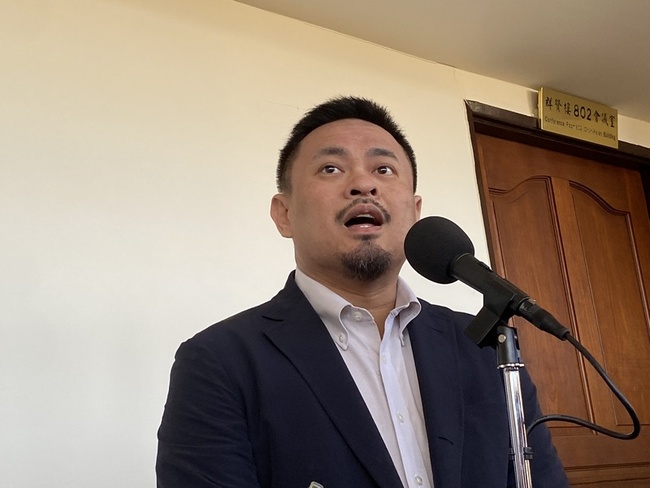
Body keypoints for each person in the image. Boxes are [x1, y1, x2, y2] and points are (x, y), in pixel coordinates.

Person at [156, 96, 568, 487]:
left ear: (415, 212)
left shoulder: (484, 347)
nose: (363, 184)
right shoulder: (218, 361)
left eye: (383, 169)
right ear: (284, 214)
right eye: (331, 168)